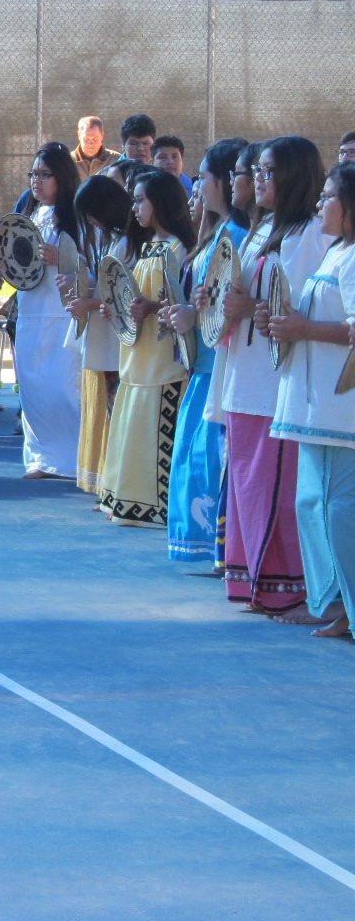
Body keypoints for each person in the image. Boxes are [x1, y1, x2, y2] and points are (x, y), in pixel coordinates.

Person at [205, 136, 328, 615]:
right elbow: (236, 294)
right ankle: (254, 582)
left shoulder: (310, 233)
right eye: (256, 170)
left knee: (276, 490)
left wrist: (248, 306)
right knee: (246, 486)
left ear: (295, 175)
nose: (259, 178)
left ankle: (288, 587)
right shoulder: (259, 230)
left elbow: (304, 309)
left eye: (269, 170)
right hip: (243, 379)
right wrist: (215, 305)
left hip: (278, 384)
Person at [265, 160, 355, 636]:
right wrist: (283, 325)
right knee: (311, 504)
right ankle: (334, 602)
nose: (320, 204)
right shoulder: (335, 253)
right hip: (312, 408)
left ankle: (348, 609)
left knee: (340, 511)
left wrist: (303, 328)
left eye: (329, 197)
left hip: (343, 412)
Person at [160, 138, 249, 564]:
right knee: (194, 456)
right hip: (204, 366)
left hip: (223, 366)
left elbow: (226, 304)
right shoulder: (216, 233)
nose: (198, 184)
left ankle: (223, 550)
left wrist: (194, 317)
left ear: (226, 181)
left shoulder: (239, 236)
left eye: (205, 176)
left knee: (209, 458)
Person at [97, 169, 195, 525]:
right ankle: (124, 497)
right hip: (136, 358)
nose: (134, 207)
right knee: (132, 428)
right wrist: (119, 310)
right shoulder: (147, 247)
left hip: (164, 363)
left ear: (162, 202)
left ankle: (156, 506)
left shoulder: (181, 249)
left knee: (156, 432)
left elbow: (182, 303)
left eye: (140, 200)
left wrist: (150, 309)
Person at [0, 143, 81, 479]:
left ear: (61, 177)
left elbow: (96, 265)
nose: (37, 180)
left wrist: (62, 258)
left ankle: (74, 460)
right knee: (33, 387)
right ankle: (41, 459)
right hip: (31, 312)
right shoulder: (30, 216)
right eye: (33, 174)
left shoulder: (77, 218)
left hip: (64, 314)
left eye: (45, 174)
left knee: (64, 388)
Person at [64, 175, 134, 501]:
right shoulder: (110, 239)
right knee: (110, 411)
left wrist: (90, 301)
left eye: (92, 212)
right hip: (105, 337)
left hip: (119, 340)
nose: (90, 221)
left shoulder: (127, 242)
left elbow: (128, 293)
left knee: (118, 413)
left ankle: (119, 486)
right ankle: (112, 485)